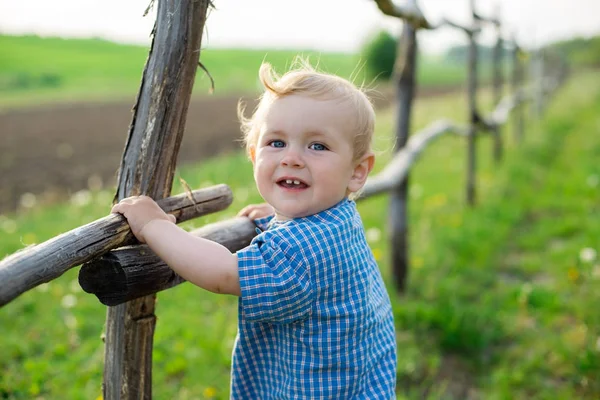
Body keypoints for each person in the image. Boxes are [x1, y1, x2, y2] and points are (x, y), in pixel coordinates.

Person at [112, 59, 397, 399]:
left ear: (357, 171)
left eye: (317, 146)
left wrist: (156, 226)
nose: (292, 158)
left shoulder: (299, 251)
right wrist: (279, 218)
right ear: (253, 153)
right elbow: (301, 239)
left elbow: (222, 273)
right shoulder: (338, 219)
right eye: (276, 142)